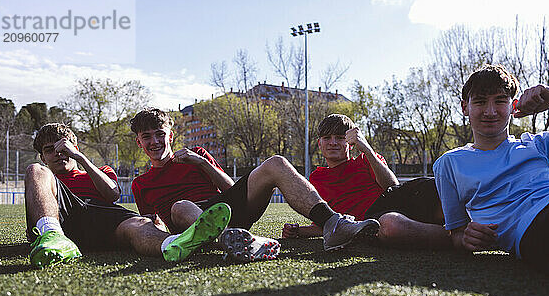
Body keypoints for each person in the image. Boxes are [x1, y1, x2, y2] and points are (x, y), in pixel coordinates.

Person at [129, 109, 380, 262]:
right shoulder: (140, 184)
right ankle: (235, 241)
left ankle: (333, 224)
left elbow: (230, 188)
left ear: (170, 135)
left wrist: (202, 164)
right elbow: (153, 224)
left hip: (224, 209)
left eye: (159, 133)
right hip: (190, 226)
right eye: (147, 137)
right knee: (181, 207)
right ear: (139, 143)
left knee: (276, 163)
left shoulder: (196, 155)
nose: (155, 141)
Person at [433, 64, 549, 278]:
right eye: (480, 101)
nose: (490, 111)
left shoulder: (539, 144)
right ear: (464, 107)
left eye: (500, 100)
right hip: (533, 230)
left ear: (513, 106)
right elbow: (457, 234)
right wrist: (467, 238)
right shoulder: (448, 164)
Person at [25, 123, 231, 268]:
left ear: (74, 148)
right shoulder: (44, 177)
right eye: (50, 150)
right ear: (43, 156)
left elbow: (112, 194)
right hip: (63, 217)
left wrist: (81, 158)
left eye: (64, 148)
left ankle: (176, 244)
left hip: (103, 217)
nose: (59, 153)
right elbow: (39, 177)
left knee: (139, 225)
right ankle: (52, 235)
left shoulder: (100, 171)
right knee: (35, 170)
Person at [282, 114, 452, 249]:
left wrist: (367, 149)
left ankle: (470, 223)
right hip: (375, 221)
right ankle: (457, 237)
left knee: (438, 188)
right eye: (327, 137)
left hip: (399, 200)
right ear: (320, 143)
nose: (333, 142)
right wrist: (298, 231)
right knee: (390, 226)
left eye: (340, 137)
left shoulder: (366, 160)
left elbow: (392, 187)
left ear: (350, 143)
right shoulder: (317, 179)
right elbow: (329, 224)